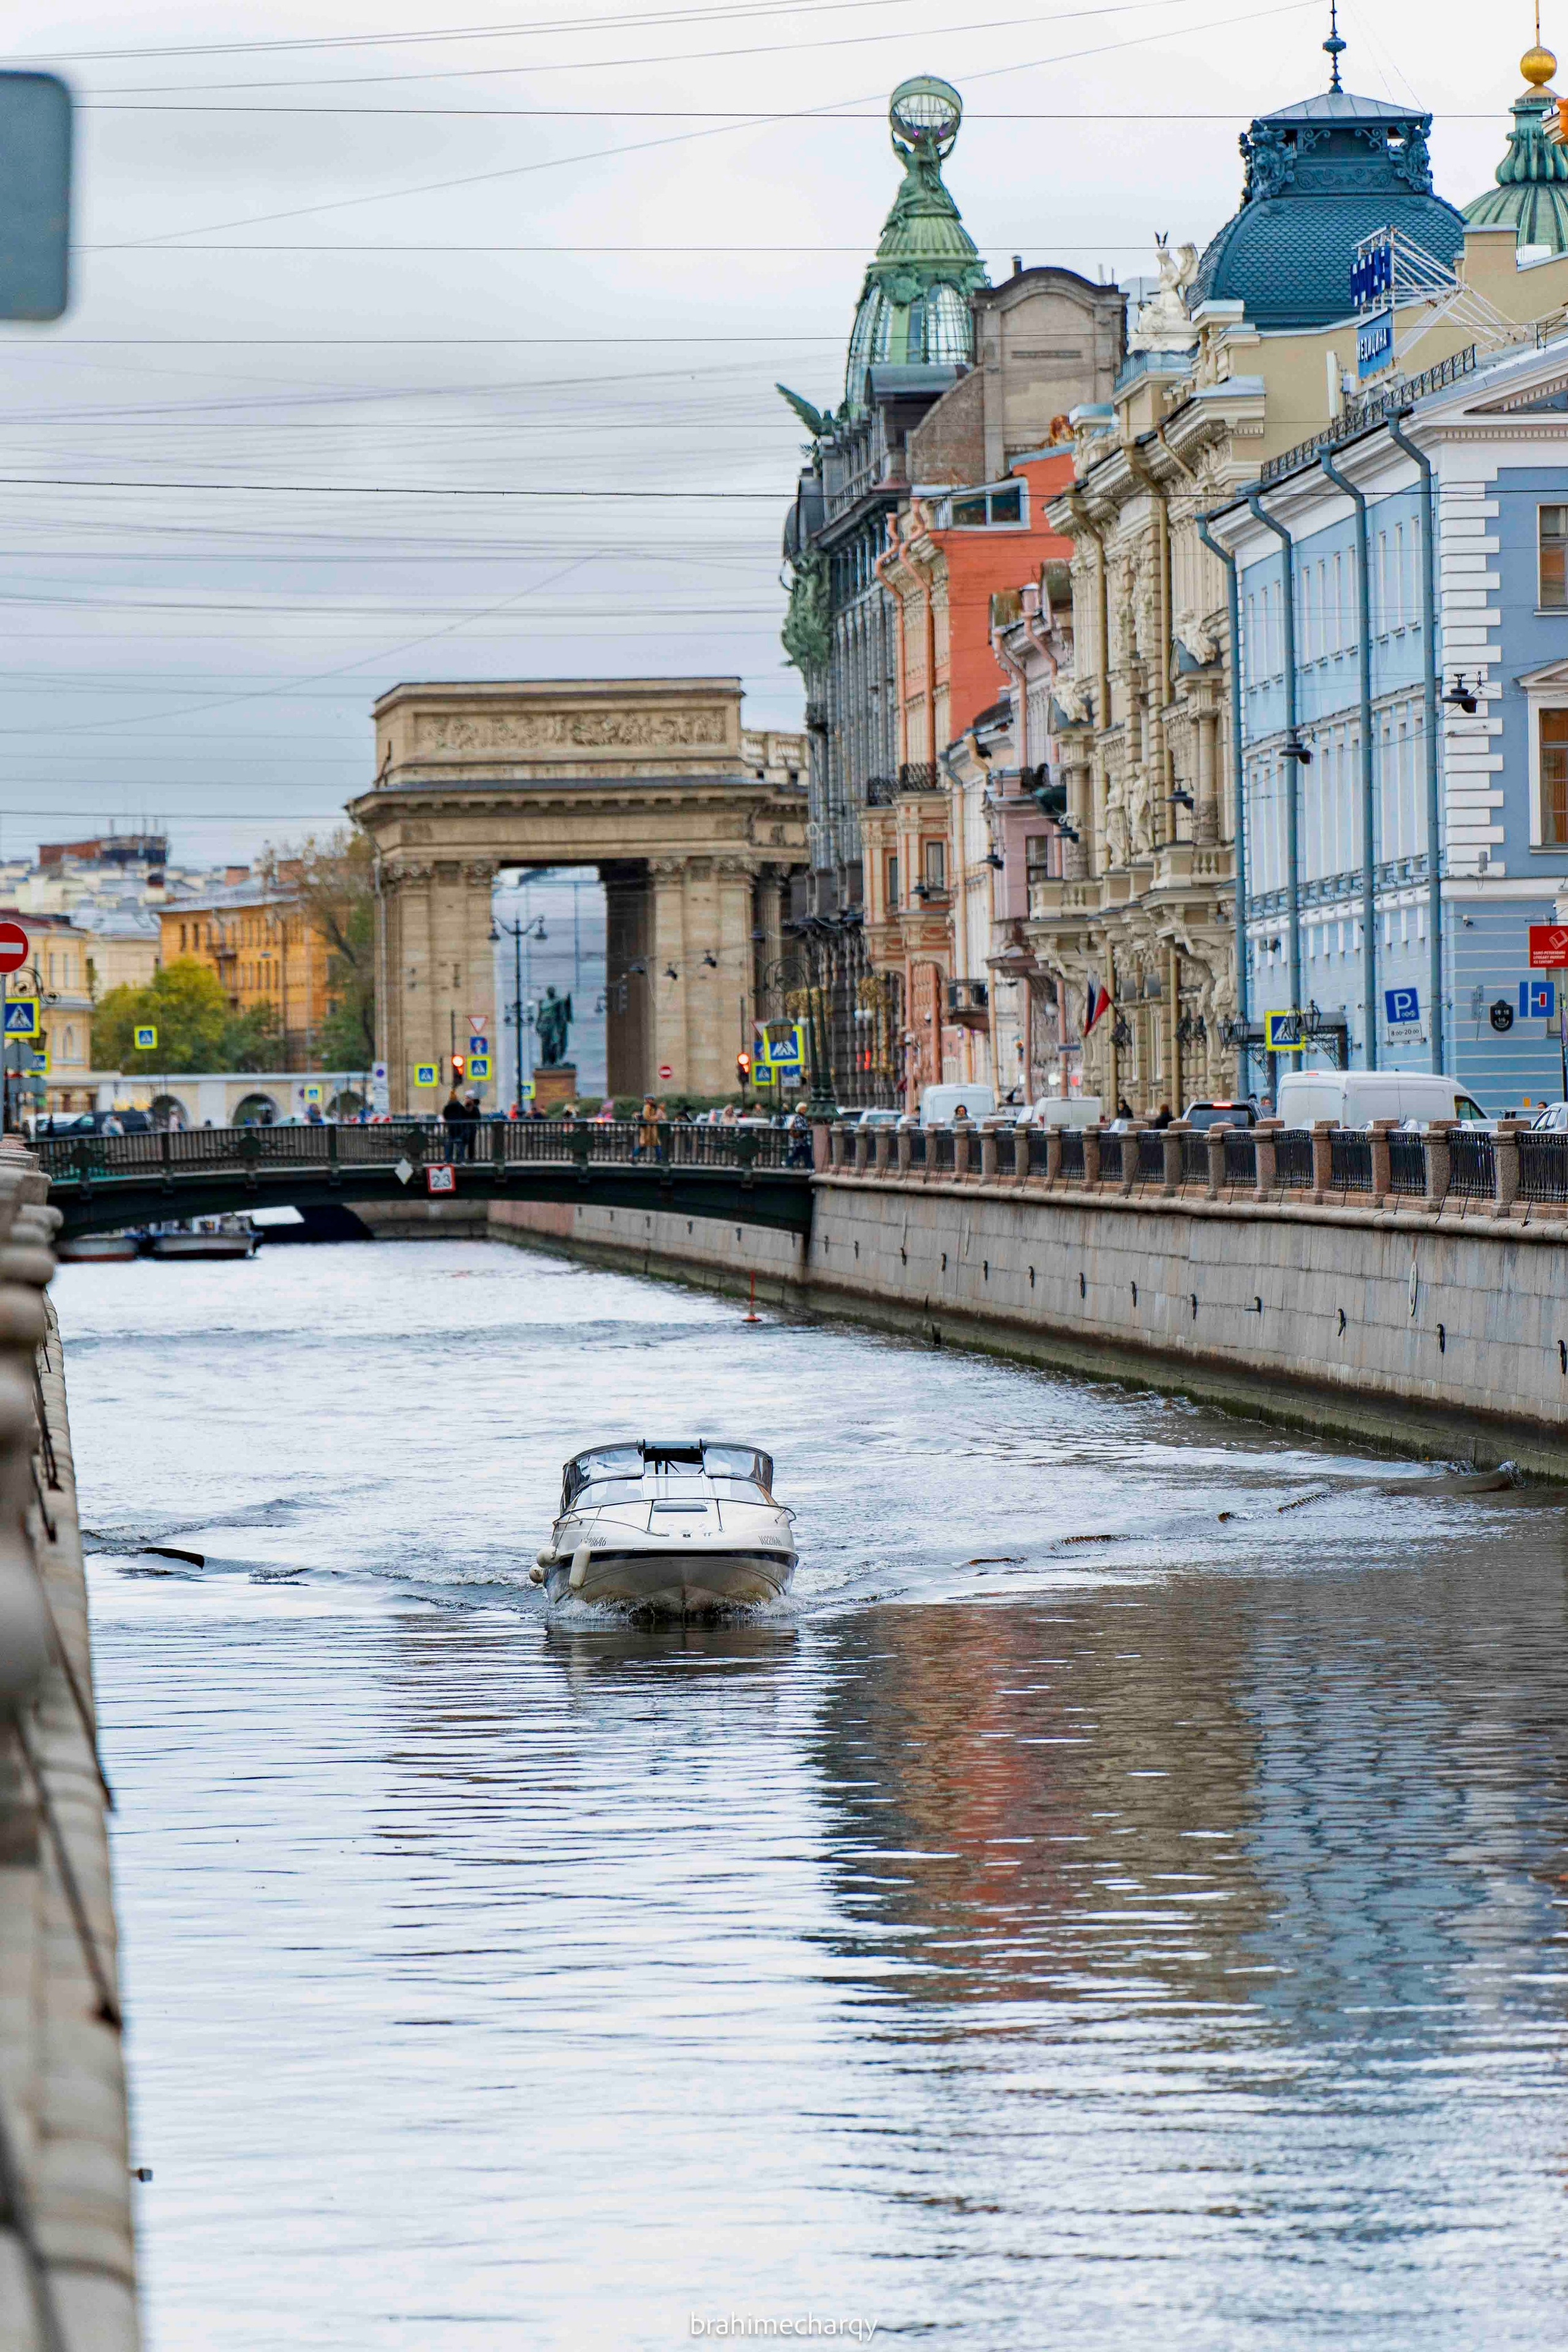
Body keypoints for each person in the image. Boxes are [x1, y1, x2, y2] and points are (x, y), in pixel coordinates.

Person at [442, 1088, 467, 1161]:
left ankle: (449, 1159)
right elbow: (464, 1115)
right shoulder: (460, 1106)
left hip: (451, 1127)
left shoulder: (447, 1107)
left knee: (450, 1144)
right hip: (460, 1127)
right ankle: (460, 1159)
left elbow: (445, 1115)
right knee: (460, 1144)